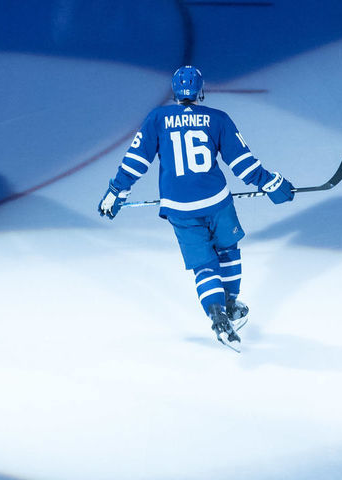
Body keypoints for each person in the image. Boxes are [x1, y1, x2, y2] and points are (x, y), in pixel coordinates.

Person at [98, 65, 294, 351]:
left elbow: (136, 160)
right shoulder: (218, 119)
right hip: (217, 201)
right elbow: (241, 162)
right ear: (201, 91)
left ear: (175, 92)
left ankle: (217, 317)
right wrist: (271, 184)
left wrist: (116, 191)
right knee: (227, 250)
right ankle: (229, 304)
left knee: (204, 266)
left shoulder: (157, 118)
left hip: (179, 207)